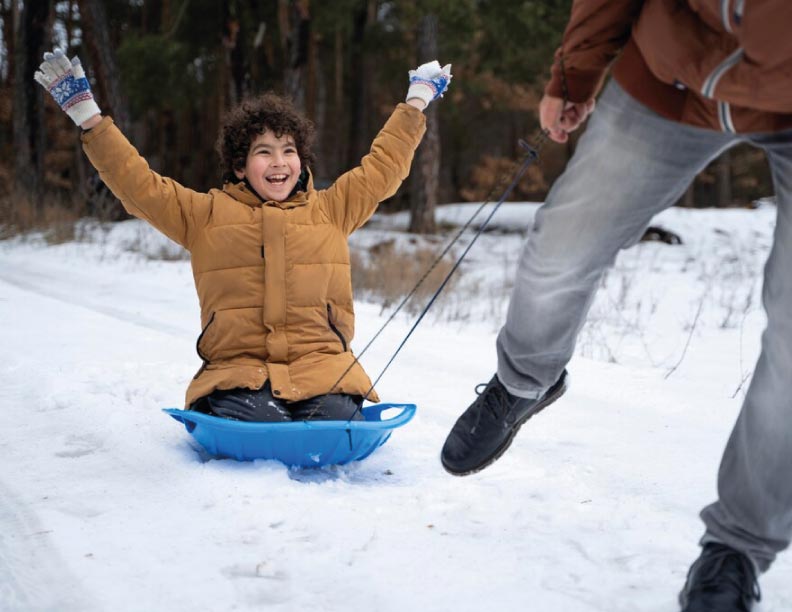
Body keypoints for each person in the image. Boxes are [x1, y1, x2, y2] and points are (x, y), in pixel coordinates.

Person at [440, 1, 792, 610]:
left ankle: (736, 548)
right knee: (562, 249)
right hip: (668, 78)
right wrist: (575, 76)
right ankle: (525, 380)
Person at [34, 48, 451, 423]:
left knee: (337, 422)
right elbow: (137, 184)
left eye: (289, 151)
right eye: (263, 152)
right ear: (239, 166)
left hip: (322, 369)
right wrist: (87, 115)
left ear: (302, 162)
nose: (279, 162)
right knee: (262, 423)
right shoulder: (204, 215)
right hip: (237, 374)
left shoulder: (330, 209)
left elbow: (384, 168)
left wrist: (416, 99)